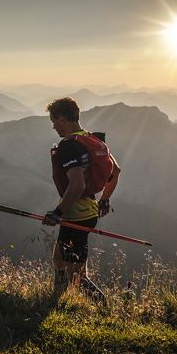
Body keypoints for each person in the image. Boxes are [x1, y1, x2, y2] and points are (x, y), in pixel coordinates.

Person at [43, 97, 121, 304]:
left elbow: (76, 185)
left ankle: (102, 308)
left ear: (62, 119)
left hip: (76, 216)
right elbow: (116, 171)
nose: (53, 126)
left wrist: (57, 213)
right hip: (87, 213)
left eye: (54, 120)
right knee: (59, 260)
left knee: (77, 275)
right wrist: (104, 200)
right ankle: (56, 301)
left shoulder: (69, 146)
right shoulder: (91, 139)